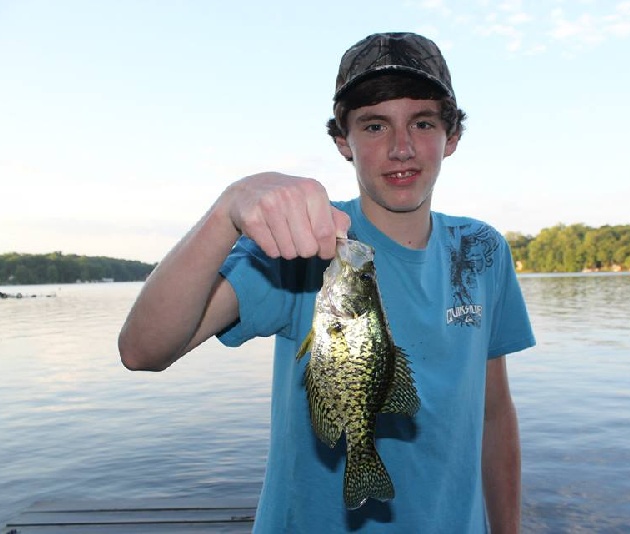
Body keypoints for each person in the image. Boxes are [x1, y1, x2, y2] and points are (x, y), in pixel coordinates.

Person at [119, 32, 536, 533]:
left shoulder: (482, 250)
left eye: (422, 122)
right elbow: (142, 351)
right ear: (344, 141)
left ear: (451, 138)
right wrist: (226, 212)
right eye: (375, 125)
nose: (401, 148)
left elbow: (494, 414)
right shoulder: (302, 243)